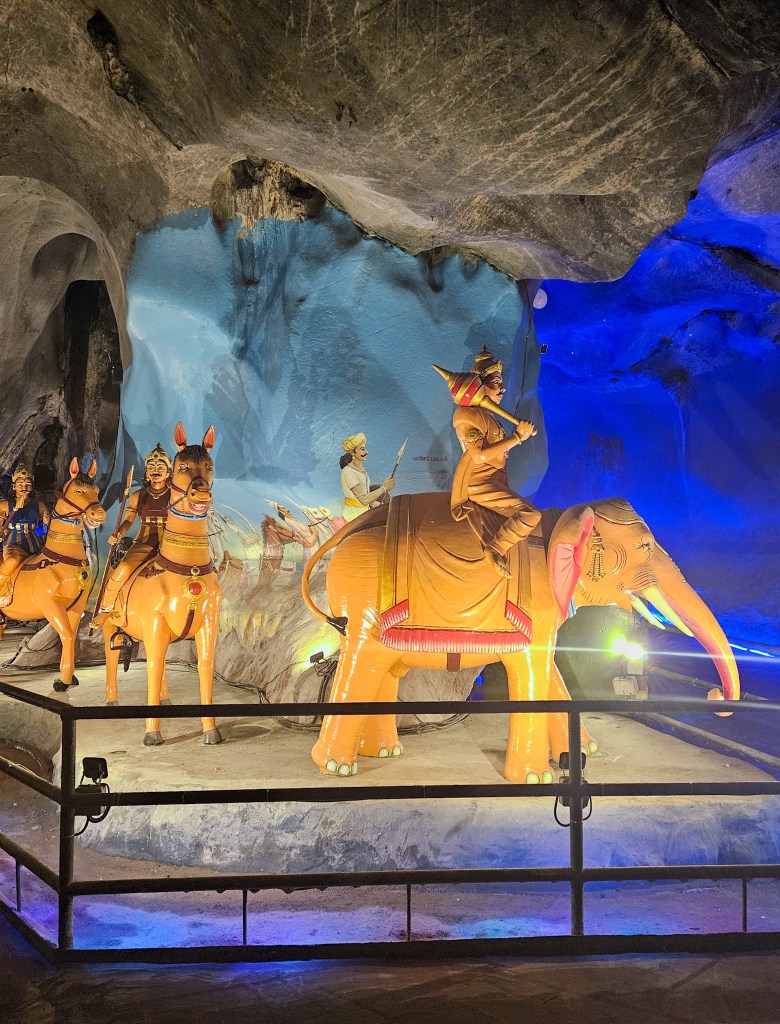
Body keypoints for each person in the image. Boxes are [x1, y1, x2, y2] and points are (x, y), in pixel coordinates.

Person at [450, 346, 540, 579]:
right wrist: (517, 438)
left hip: (495, 480)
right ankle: (496, 548)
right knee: (531, 515)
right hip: (479, 484)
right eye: (496, 383)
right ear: (478, 387)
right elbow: (479, 456)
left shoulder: (487, 416)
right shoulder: (465, 416)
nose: (502, 388)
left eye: (500, 383)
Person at [91, 443, 172, 627]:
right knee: (123, 568)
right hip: (145, 541)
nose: (155, 471)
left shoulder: (176, 494)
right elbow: (128, 520)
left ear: (168, 472)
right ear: (146, 472)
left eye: (160, 468)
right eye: (151, 467)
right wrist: (118, 532)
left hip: (172, 542)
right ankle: (107, 609)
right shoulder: (137, 495)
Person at [0, 465, 50, 606]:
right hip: (13, 543)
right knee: (12, 562)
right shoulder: (5, 505)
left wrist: (44, 531)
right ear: (14, 486)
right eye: (20, 484)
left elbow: (45, 526)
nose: (24, 487)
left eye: (27, 484)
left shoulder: (39, 505)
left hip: (35, 544)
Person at [339, 433, 395, 522]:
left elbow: (365, 494)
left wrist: (375, 504)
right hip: (353, 516)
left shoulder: (362, 470)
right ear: (352, 452)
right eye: (362, 449)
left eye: (365, 449)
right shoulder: (348, 472)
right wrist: (384, 488)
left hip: (364, 512)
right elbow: (364, 499)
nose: (366, 452)